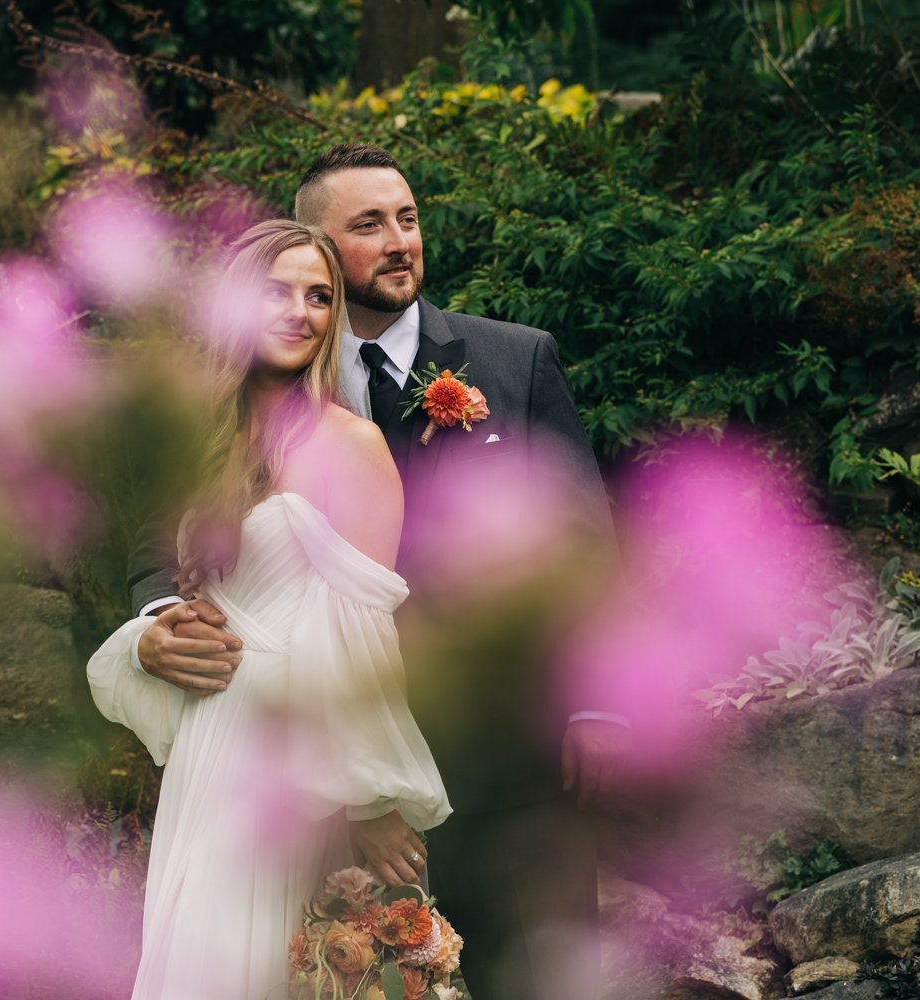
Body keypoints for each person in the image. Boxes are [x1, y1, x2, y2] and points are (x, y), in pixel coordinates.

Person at [131, 145, 629, 997]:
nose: (400, 241)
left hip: (507, 752)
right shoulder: (252, 402)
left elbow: (584, 540)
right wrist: (165, 622)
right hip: (320, 771)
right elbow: (158, 543)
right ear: (318, 246)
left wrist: (601, 702)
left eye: (408, 218)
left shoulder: (515, 360)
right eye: (368, 225)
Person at [88, 219, 450, 999]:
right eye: (275, 290)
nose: (300, 310)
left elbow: (365, 635)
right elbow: (166, 577)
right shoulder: (196, 444)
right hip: (211, 747)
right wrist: (155, 633)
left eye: (319, 296)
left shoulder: (353, 444)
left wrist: (372, 795)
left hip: (306, 761)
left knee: (291, 968)